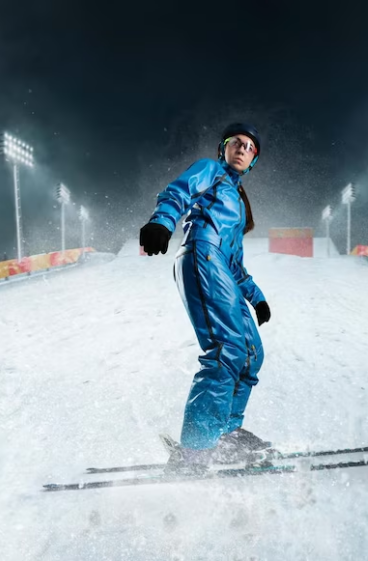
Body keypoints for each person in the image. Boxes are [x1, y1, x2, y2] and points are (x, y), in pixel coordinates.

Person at [139, 123, 273, 473]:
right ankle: (195, 451)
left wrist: (256, 298)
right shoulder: (211, 170)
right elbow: (179, 192)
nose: (243, 150)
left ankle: (225, 435)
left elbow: (236, 262)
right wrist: (162, 222)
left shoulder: (239, 205)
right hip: (201, 255)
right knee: (226, 351)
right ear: (223, 149)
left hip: (222, 267)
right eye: (237, 143)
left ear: (254, 160)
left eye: (250, 148)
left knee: (251, 353)